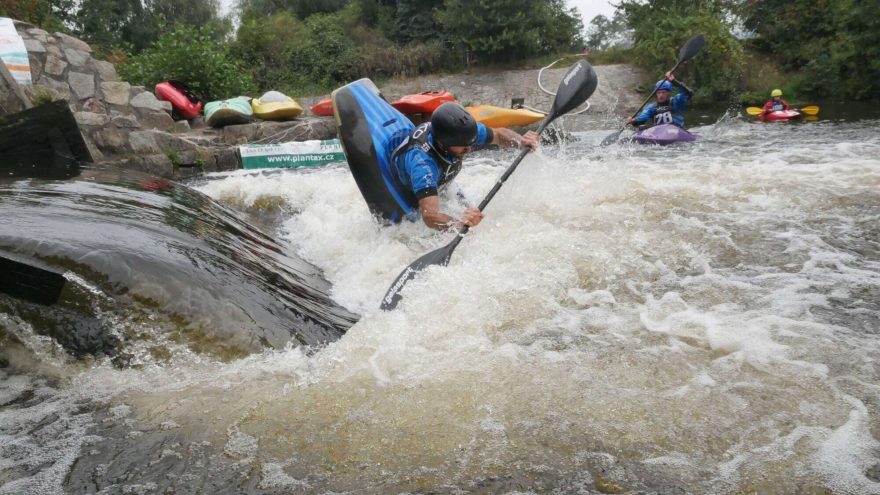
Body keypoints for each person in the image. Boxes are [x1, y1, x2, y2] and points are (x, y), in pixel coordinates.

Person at [390, 102, 539, 231]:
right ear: (442, 143)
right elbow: (429, 217)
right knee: (467, 226)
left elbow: (498, 135)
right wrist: (459, 224)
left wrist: (521, 142)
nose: (468, 149)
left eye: (470, 143)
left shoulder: (463, 133)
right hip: (408, 190)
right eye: (463, 147)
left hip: (442, 181)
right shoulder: (423, 166)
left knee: (477, 217)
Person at [627, 71, 694, 128]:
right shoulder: (652, 107)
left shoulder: (675, 102)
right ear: (656, 94)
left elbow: (688, 93)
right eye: (659, 93)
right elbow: (642, 118)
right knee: (642, 128)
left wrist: (674, 81)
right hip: (659, 134)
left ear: (668, 93)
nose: (661, 95)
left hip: (676, 132)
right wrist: (634, 121)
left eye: (663, 92)